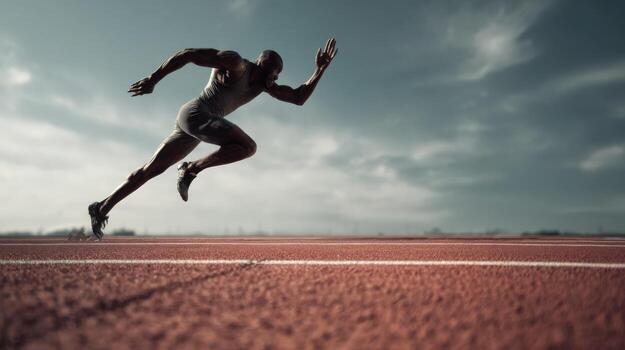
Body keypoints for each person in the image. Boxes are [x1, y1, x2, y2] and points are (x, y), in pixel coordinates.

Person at [87, 38, 338, 240]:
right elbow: (187, 54)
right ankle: (190, 169)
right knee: (247, 147)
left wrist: (320, 70)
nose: (274, 80)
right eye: (271, 73)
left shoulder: (265, 85)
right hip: (196, 113)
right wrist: (154, 79)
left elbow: (298, 97)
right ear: (260, 65)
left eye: (277, 76)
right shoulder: (236, 64)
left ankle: (101, 208)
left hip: (199, 126)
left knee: (149, 170)